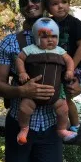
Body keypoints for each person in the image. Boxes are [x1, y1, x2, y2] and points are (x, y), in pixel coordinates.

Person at [0, 0, 81, 162]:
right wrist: (23, 91)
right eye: (24, 1)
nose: (30, 3)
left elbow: (70, 75)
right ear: (20, 8)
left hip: (52, 127)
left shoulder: (61, 38)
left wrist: (76, 86)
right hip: (19, 123)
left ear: (44, 5)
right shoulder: (9, 43)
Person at [16, 17, 77, 145]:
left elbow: (69, 60)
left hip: (54, 94)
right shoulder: (30, 49)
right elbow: (19, 59)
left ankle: (61, 129)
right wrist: (22, 72)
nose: (50, 40)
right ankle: (24, 129)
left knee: (63, 109)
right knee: (24, 108)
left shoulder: (59, 50)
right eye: (44, 37)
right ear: (37, 38)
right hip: (32, 94)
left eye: (54, 36)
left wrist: (70, 71)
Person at [44, 0, 81, 135]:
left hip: (76, 66)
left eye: (64, 2)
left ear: (69, 3)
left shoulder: (76, 24)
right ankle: (62, 124)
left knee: (66, 97)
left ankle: (75, 126)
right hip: (59, 68)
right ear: (48, 8)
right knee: (58, 96)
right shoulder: (48, 24)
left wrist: (71, 68)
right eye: (55, 4)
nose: (60, 6)